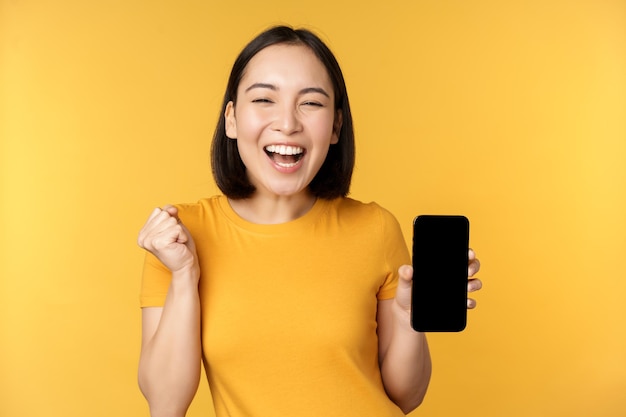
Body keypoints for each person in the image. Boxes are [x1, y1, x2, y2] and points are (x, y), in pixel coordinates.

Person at [137, 25, 482, 417]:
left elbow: (407, 396)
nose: (287, 123)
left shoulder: (376, 228)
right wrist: (184, 276)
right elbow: (165, 405)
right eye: (264, 99)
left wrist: (407, 317)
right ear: (231, 119)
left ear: (336, 126)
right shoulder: (180, 238)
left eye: (311, 104)